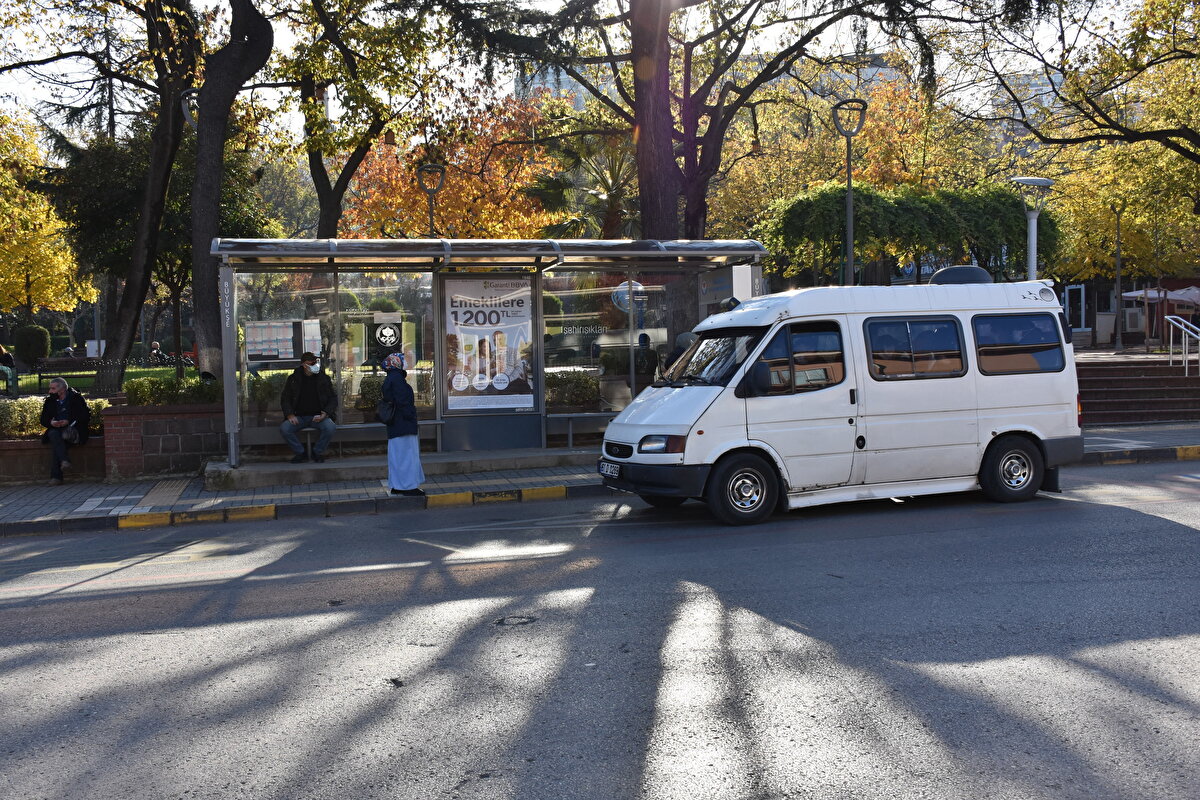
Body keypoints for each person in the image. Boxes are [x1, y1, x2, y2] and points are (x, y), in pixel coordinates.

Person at [280, 352, 337, 463]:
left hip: (318, 416)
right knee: (285, 428)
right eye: (310, 363)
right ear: (304, 365)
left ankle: (317, 452)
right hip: (299, 417)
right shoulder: (293, 379)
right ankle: (301, 453)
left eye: (315, 362)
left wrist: (325, 413)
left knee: (330, 427)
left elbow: (333, 398)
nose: (314, 365)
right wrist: (290, 414)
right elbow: (285, 398)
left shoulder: (323, 378)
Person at [381, 352, 425, 496]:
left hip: (395, 424)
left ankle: (397, 485)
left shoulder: (391, 378)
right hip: (403, 423)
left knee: (397, 456)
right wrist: (410, 415)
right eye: (403, 360)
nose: (406, 362)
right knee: (407, 455)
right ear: (396, 362)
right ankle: (408, 487)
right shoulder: (397, 379)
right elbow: (403, 401)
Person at [40, 377, 90, 486]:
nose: (50, 391)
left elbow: (85, 416)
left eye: (53, 389)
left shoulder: (76, 398)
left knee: (57, 441)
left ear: (62, 389)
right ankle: (64, 462)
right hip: (56, 429)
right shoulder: (50, 400)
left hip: (73, 429)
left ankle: (56, 477)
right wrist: (51, 422)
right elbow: (43, 419)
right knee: (54, 434)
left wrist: (68, 421)